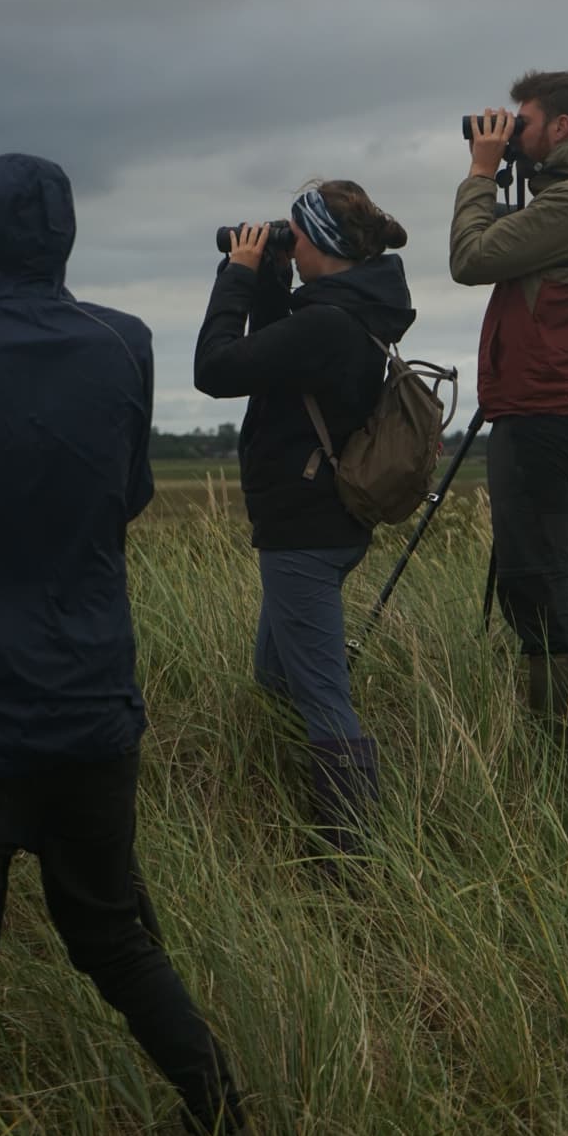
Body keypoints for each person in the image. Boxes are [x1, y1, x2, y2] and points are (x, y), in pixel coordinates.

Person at [0, 152, 258, 1136]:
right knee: (116, 938)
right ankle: (238, 1135)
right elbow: (128, 489)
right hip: (90, 704)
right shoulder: (123, 342)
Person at [193, 181, 415, 867]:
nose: (283, 240)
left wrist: (235, 276)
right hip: (321, 524)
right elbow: (275, 358)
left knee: (322, 698)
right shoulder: (346, 313)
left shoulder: (327, 325)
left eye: (292, 234)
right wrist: (270, 276)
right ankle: (295, 803)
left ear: (318, 241)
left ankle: (348, 861)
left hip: (305, 533)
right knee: (275, 678)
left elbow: (217, 368)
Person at [450, 70, 568, 754]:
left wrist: (480, 172)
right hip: (536, 406)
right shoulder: (564, 199)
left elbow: (471, 258)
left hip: (543, 408)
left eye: (521, 122)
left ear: (561, 128)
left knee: (535, 582)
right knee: (554, 577)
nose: (509, 133)